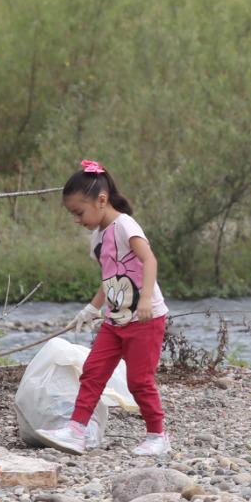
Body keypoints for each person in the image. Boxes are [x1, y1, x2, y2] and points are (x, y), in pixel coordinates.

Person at [38, 161, 169, 456]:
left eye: (79, 212)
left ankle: (158, 436)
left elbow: (149, 261)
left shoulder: (126, 226)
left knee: (139, 381)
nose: (77, 219)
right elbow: (109, 279)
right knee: (93, 372)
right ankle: (76, 431)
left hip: (145, 320)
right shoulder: (98, 237)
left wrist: (146, 298)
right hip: (115, 321)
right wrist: (91, 309)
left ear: (101, 200)